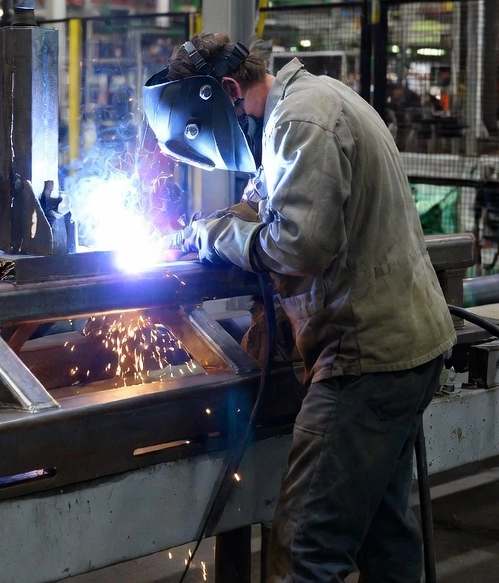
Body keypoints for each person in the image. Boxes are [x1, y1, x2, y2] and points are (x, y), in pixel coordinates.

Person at [142, 32, 455, 583]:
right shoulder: (314, 99)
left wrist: (216, 238)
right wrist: (199, 230)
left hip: (364, 361)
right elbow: (269, 201)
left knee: (307, 546)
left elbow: (299, 246)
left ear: (231, 91)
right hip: (404, 349)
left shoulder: (299, 122)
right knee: (384, 532)